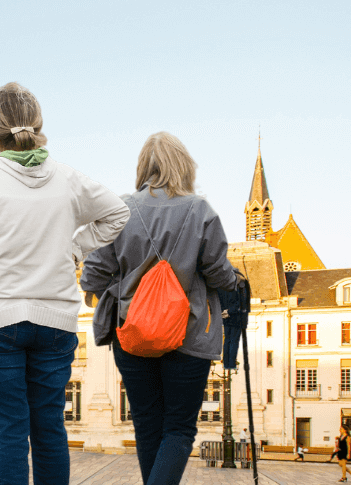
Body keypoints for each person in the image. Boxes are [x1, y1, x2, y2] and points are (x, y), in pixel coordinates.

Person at [0, 82, 131, 485]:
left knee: (11, 429)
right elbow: (118, 213)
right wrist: (76, 249)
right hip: (54, 319)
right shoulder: (66, 179)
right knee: (49, 428)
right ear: (40, 124)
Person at [81, 132, 241, 485]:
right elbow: (218, 271)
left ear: (143, 168)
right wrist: (235, 281)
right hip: (189, 333)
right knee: (179, 429)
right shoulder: (200, 212)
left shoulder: (120, 211)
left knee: (147, 426)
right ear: (184, 167)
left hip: (132, 334)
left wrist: (117, 289)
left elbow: (92, 276)